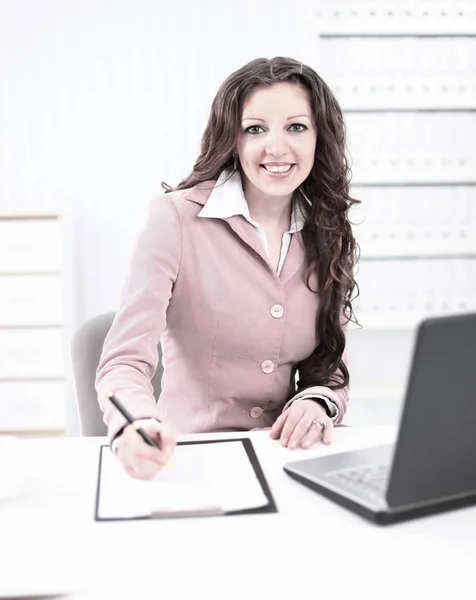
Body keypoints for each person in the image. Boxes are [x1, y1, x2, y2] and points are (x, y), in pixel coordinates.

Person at [95, 56, 360, 480]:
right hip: (190, 458)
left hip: (285, 458)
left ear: (319, 138)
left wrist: (316, 402)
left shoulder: (326, 229)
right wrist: (135, 423)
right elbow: (122, 363)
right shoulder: (175, 220)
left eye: (296, 127)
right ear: (233, 139)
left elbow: (329, 365)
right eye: (255, 129)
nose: (276, 147)